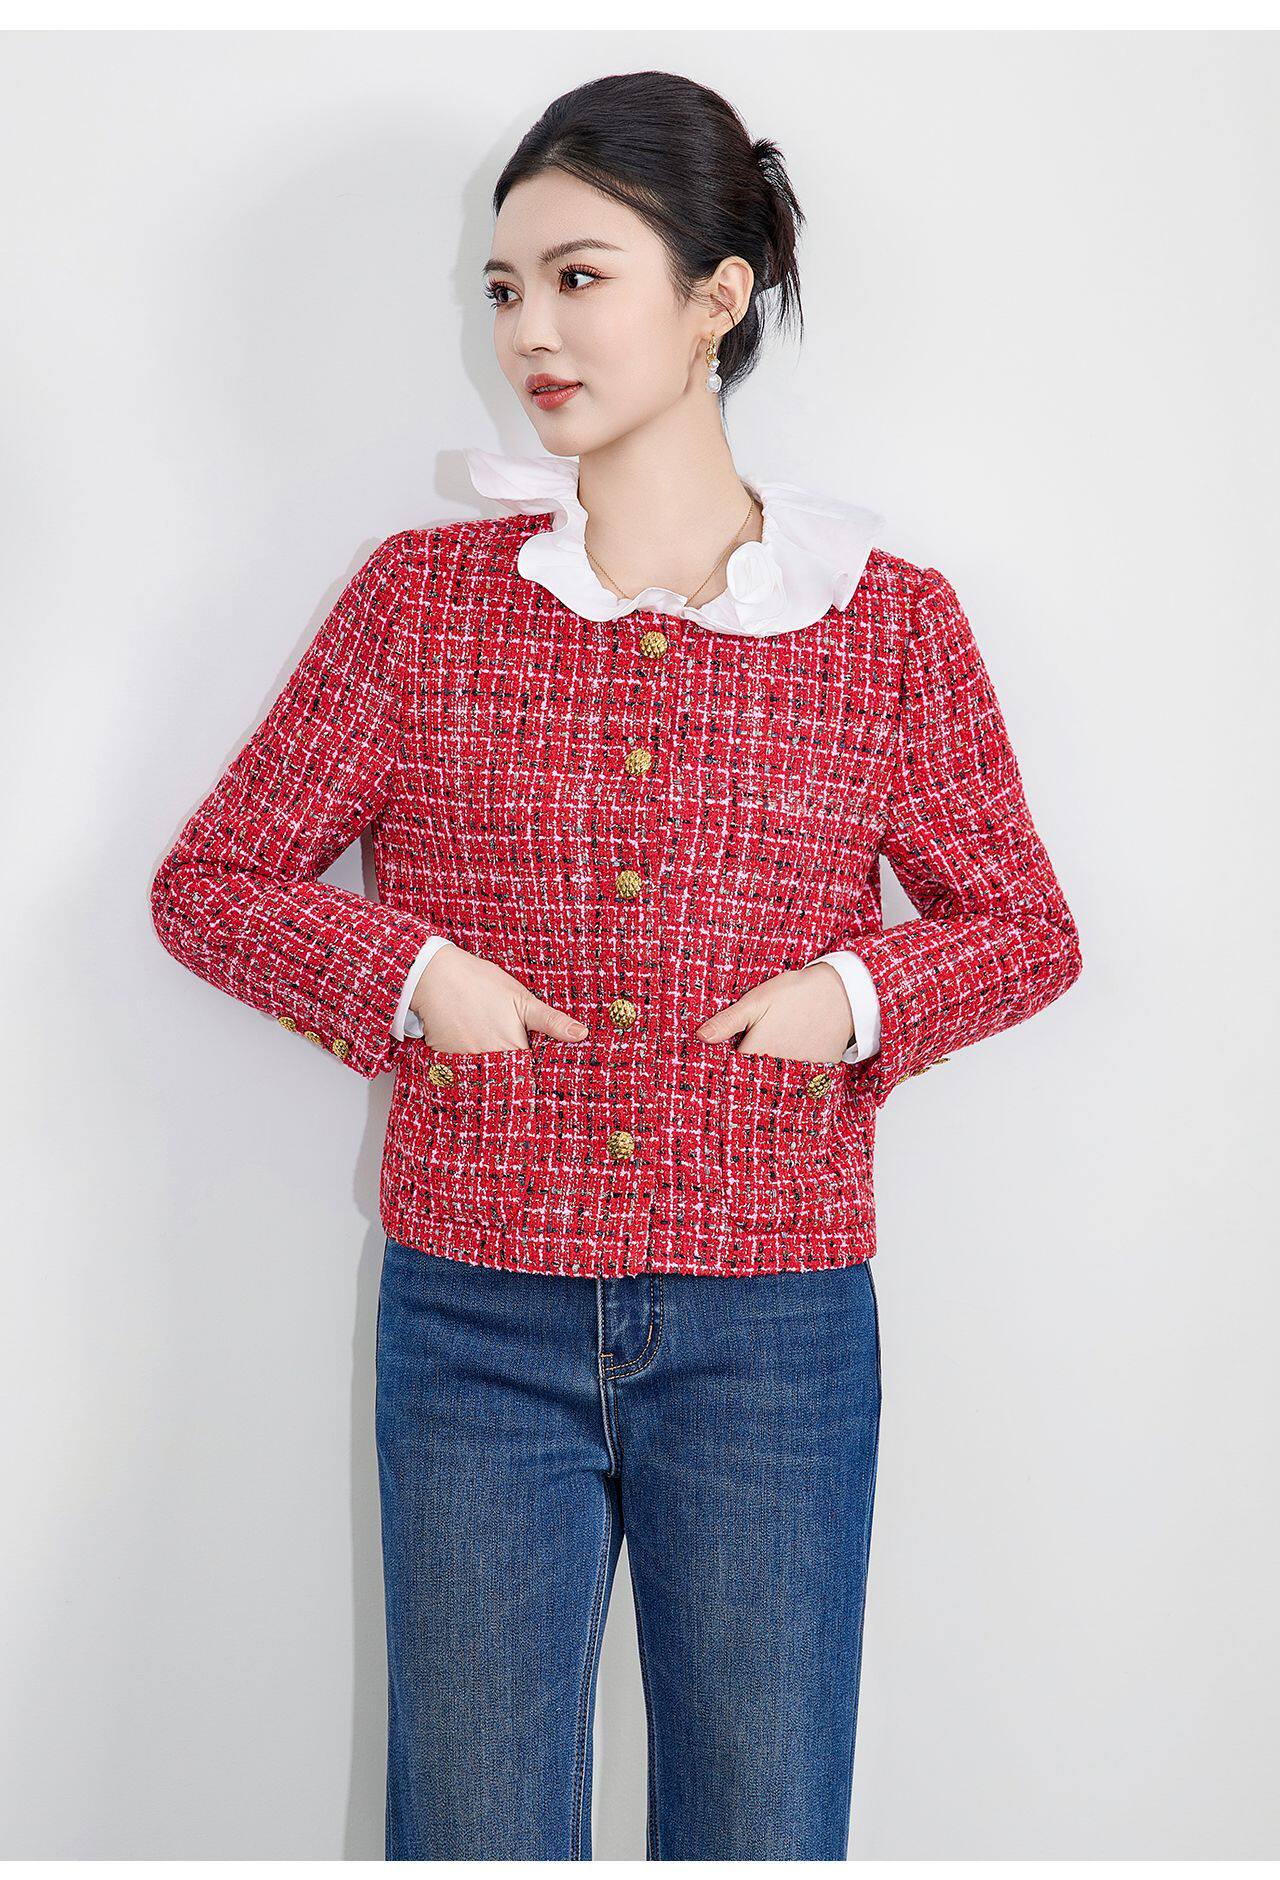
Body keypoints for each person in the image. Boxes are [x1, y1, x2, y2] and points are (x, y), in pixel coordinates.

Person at [150, 69, 1083, 1863]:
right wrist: (411, 970)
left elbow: (1025, 927)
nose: (530, 331)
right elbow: (216, 882)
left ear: (718, 298)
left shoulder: (887, 622)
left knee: (762, 1826)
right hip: (473, 1315)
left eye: (579, 278)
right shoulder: (423, 600)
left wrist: (855, 999)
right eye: (505, 288)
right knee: (474, 1830)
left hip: (778, 1328)